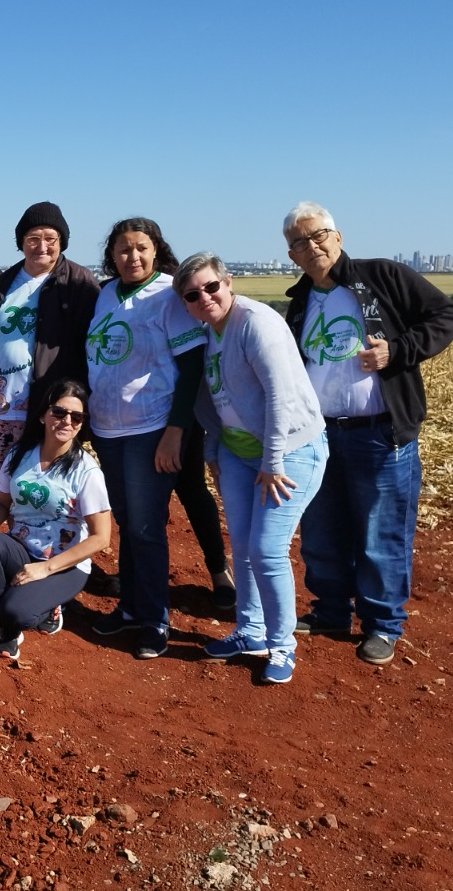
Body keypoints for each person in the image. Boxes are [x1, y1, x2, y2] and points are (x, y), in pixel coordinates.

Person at [281, 202, 453, 666]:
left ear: (338, 236)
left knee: (380, 533)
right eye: (300, 242)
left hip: (379, 434)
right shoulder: (300, 301)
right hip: (319, 435)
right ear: (292, 255)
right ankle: (330, 612)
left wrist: (399, 351)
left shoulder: (382, 276)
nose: (312, 246)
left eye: (318, 235)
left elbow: (447, 316)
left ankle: (383, 625)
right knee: (321, 530)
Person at [175, 253, 329, 684]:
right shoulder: (210, 334)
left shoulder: (255, 323)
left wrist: (273, 460)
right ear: (185, 304)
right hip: (238, 455)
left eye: (211, 287)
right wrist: (213, 453)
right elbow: (211, 400)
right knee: (241, 546)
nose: (204, 297)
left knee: (266, 549)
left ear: (228, 283)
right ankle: (250, 631)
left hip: (288, 451)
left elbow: (279, 395)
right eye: (192, 295)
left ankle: (282, 646)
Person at [82, 218, 225, 657]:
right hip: (109, 429)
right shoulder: (106, 293)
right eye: (123, 250)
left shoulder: (168, 294)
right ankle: (130, 608)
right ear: (112, 255)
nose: (133, 257)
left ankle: (154, 619)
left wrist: (175, 432)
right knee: (128, 522)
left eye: (141, 248)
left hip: (151, 427)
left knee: (145, 526)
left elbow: (190, 368)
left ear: (156, 250)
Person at [0, 379, 111, 661]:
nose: (66, 421)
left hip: (65, 565)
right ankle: (10, 625)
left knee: (17, 611)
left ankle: (42, 608)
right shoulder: (19, 455)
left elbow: (101, 538)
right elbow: (2, 503)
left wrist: (46, 569)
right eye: (59, 412)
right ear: (43, 415)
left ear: (81, 424)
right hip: (22, 550)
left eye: (76, 417)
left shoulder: (87, 471)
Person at [0, 202, 101, 485]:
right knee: (4, 484)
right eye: (33, 239)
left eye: (50, 239)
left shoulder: (79, 282)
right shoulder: (4, 282)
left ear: (62, 242)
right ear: (21, 242)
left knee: (48, 482)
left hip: (49, 408)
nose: (41, 246)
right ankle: (9, 531)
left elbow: (90, 345)